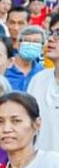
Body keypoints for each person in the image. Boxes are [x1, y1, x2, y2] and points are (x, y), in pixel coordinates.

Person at [27, 15, 59, 152]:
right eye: (51, 33)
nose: (51, 39)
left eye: (58, 34)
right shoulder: (38, 80)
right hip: (37, 166)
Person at [6, 25, 46, 92]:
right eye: (27, 40)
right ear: (18, 44)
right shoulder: (5, 67)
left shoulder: (42, 72)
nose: (31, 44)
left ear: (42, 48)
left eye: (36, 42)